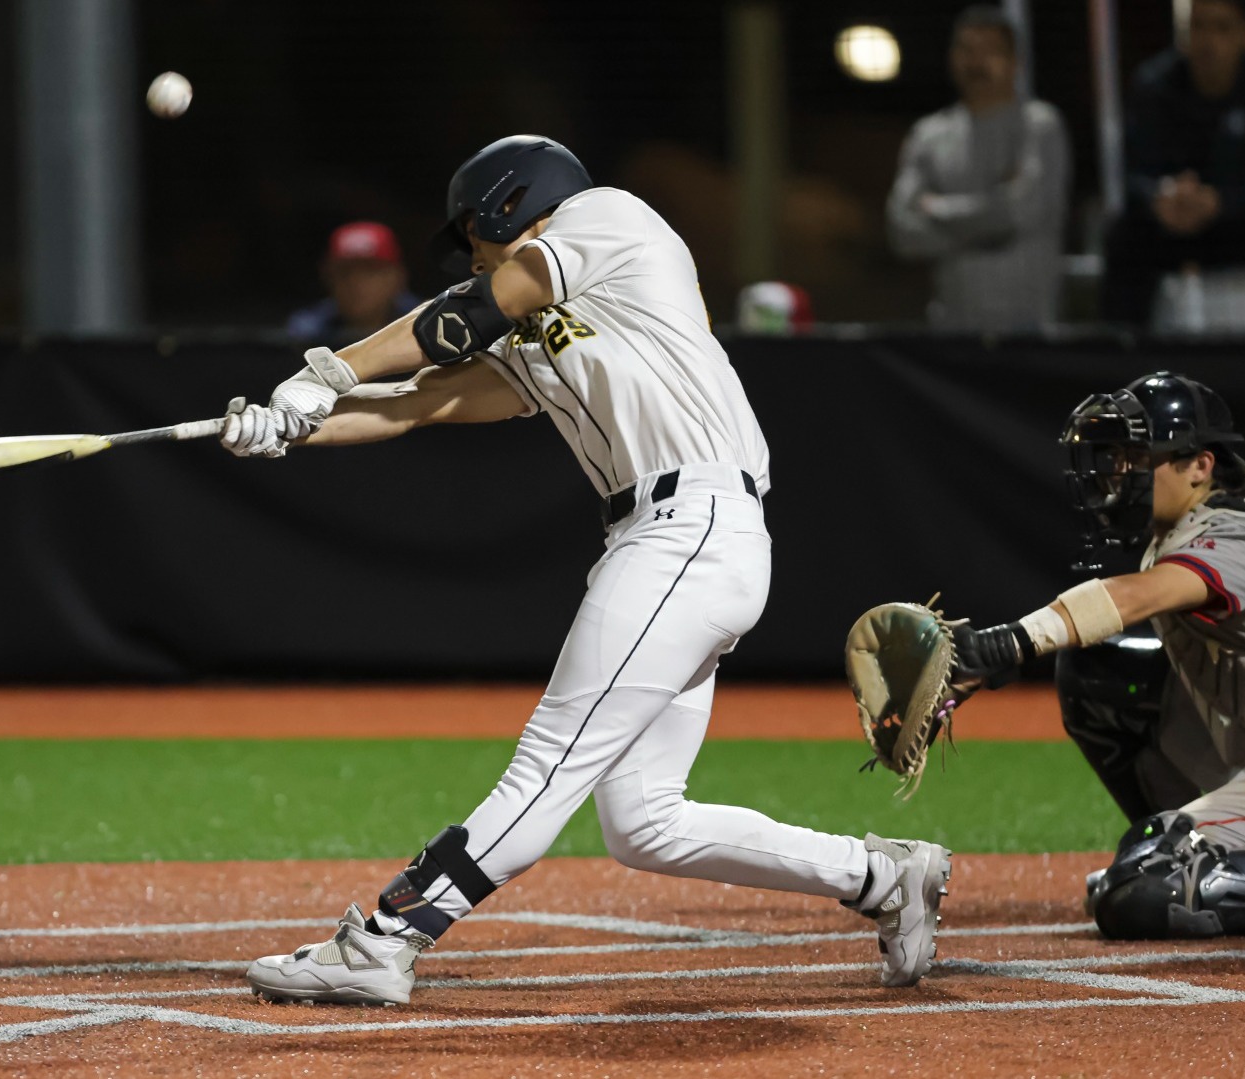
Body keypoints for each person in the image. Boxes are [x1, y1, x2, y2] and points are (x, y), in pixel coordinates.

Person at [219, 135, 951, 1006]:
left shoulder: (607, 221)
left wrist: (330, 369)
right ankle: (881, 876)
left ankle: (387, 938)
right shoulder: (553, 321)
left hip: (690, 529)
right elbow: (426, 400)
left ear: (510, 203)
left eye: (477, 234)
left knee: (548, 765)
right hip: (676, 543)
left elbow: (474, 308)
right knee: (645, 821)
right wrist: (296, 421)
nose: (477, 252)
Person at [944, 371, 1245, 941]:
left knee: (1139, 891)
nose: (1118, 472)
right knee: (1100, 668)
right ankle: (1186, 849)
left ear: (1199, 466)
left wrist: (1004, 643)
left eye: (1137, 456)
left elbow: (1135, 595)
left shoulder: (1236, 537)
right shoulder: (1199, 528)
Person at [1101, 0, 1245, 328]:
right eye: (1198, 27)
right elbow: (1135, 170)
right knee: (1126, 237)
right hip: (1184, 221)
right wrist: (1162, 196)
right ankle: (1122, 365)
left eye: (1222, 27)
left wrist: (1222, 202)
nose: (1208, 41)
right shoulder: (1155, 84)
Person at [886, 5, 1070, 332]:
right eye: (966, 50)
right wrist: (991, 219)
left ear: (1015, 61)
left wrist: (937, 208)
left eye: (990, 51)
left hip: (1029, 331)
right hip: (952, 332)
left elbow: (1022, 212)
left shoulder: (1040, 126)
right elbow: (903, 231)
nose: (976, 62)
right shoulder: (928, 135)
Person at [284, 221, 417, 342]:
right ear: (328, 277)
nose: (355, 283)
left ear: (398, 276)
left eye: (369, 271)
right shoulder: (306, 330)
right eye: (344, 272)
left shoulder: (424, 323)